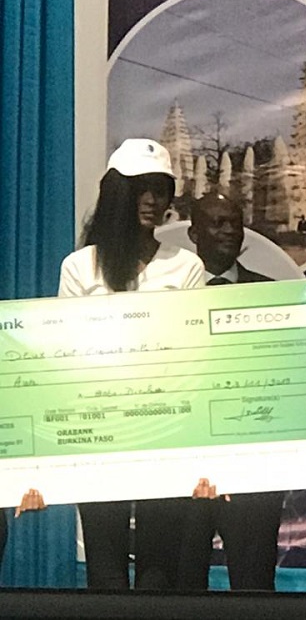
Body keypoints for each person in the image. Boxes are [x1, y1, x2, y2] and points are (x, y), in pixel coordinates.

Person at [51, 139, 206, 589]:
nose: (152, 200)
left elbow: (194, 352)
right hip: (99, 430)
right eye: (140, 189)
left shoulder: (186, 266)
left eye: (160, 189)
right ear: (117, 194)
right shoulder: (80, 267)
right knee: (105, 568)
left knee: (160, 568)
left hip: (166, 428)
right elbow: (64, 352)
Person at [176, 193, 285, 590]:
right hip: (183, 467)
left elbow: (284, 383)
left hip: (252, 468)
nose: (228, 231)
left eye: (235, 223)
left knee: (254, 588)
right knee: (182, 587)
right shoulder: (168, 299)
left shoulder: (273, 296)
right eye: (217, 223)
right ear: (193, 233)